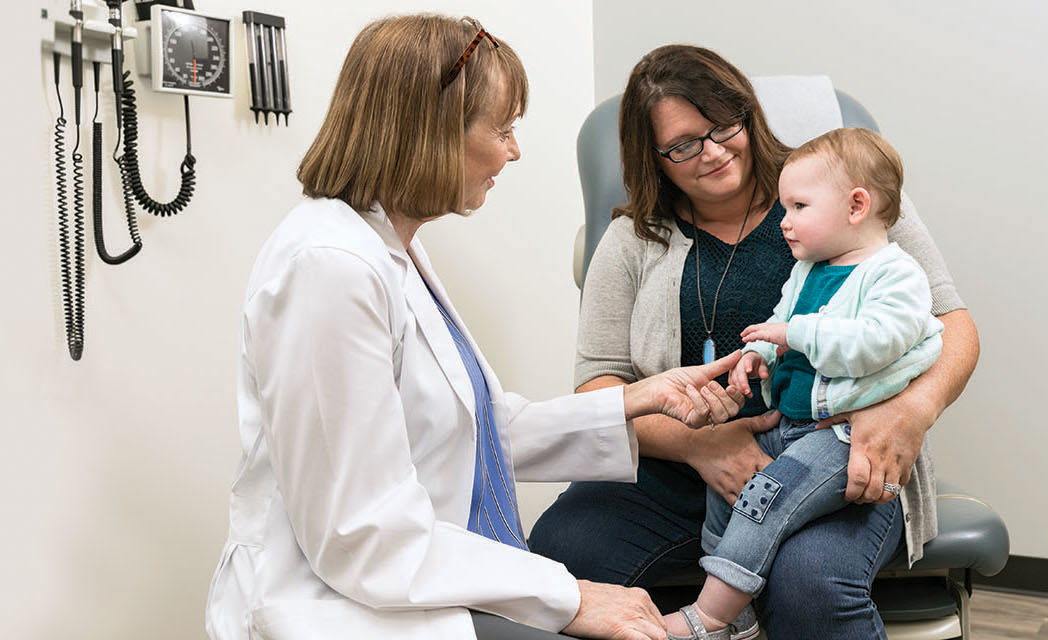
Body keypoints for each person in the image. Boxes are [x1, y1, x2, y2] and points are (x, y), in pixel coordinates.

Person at [205, 15, 748, 640]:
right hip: (346, 604)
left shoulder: (390, 246)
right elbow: (359, 532)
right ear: (431, 132)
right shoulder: (329, 269)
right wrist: (567, 595)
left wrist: (634, 399)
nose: (512, 151)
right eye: (503, 129)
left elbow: (471, 427)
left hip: (415, 577)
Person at [529, 45, 980, 639]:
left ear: (747, 114)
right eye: (684, 144)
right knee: (560, 558)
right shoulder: (630, 240)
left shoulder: (847, 197)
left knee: (811, 585)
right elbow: (599, 386)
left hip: (833, 455)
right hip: (676, 471)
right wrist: (701, 446)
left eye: (723, 126)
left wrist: (909, 412)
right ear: (655, 158)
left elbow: (954, 326)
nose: (713, 152)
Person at [656, 128, 944, 638]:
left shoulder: (895, 274)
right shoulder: (808, 269)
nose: (784, 223)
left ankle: (711, 615)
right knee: (725, 492)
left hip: (842, 436)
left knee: (765, 497)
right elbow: (781, 322)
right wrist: (758, 353)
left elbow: (875, 342)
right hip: (790, 424)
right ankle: (739, 619)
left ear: (857, 206)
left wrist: (794, 333)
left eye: (798, 207)